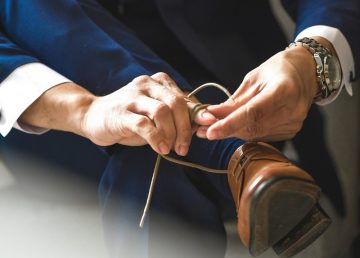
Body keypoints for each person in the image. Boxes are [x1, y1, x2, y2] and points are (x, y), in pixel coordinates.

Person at [0, 0, 358, 257]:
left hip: (236, 101)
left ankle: (226, 150)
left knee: (148, 156)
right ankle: (236, 157)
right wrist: (85, 110)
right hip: (64, 131)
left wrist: (312, 58)